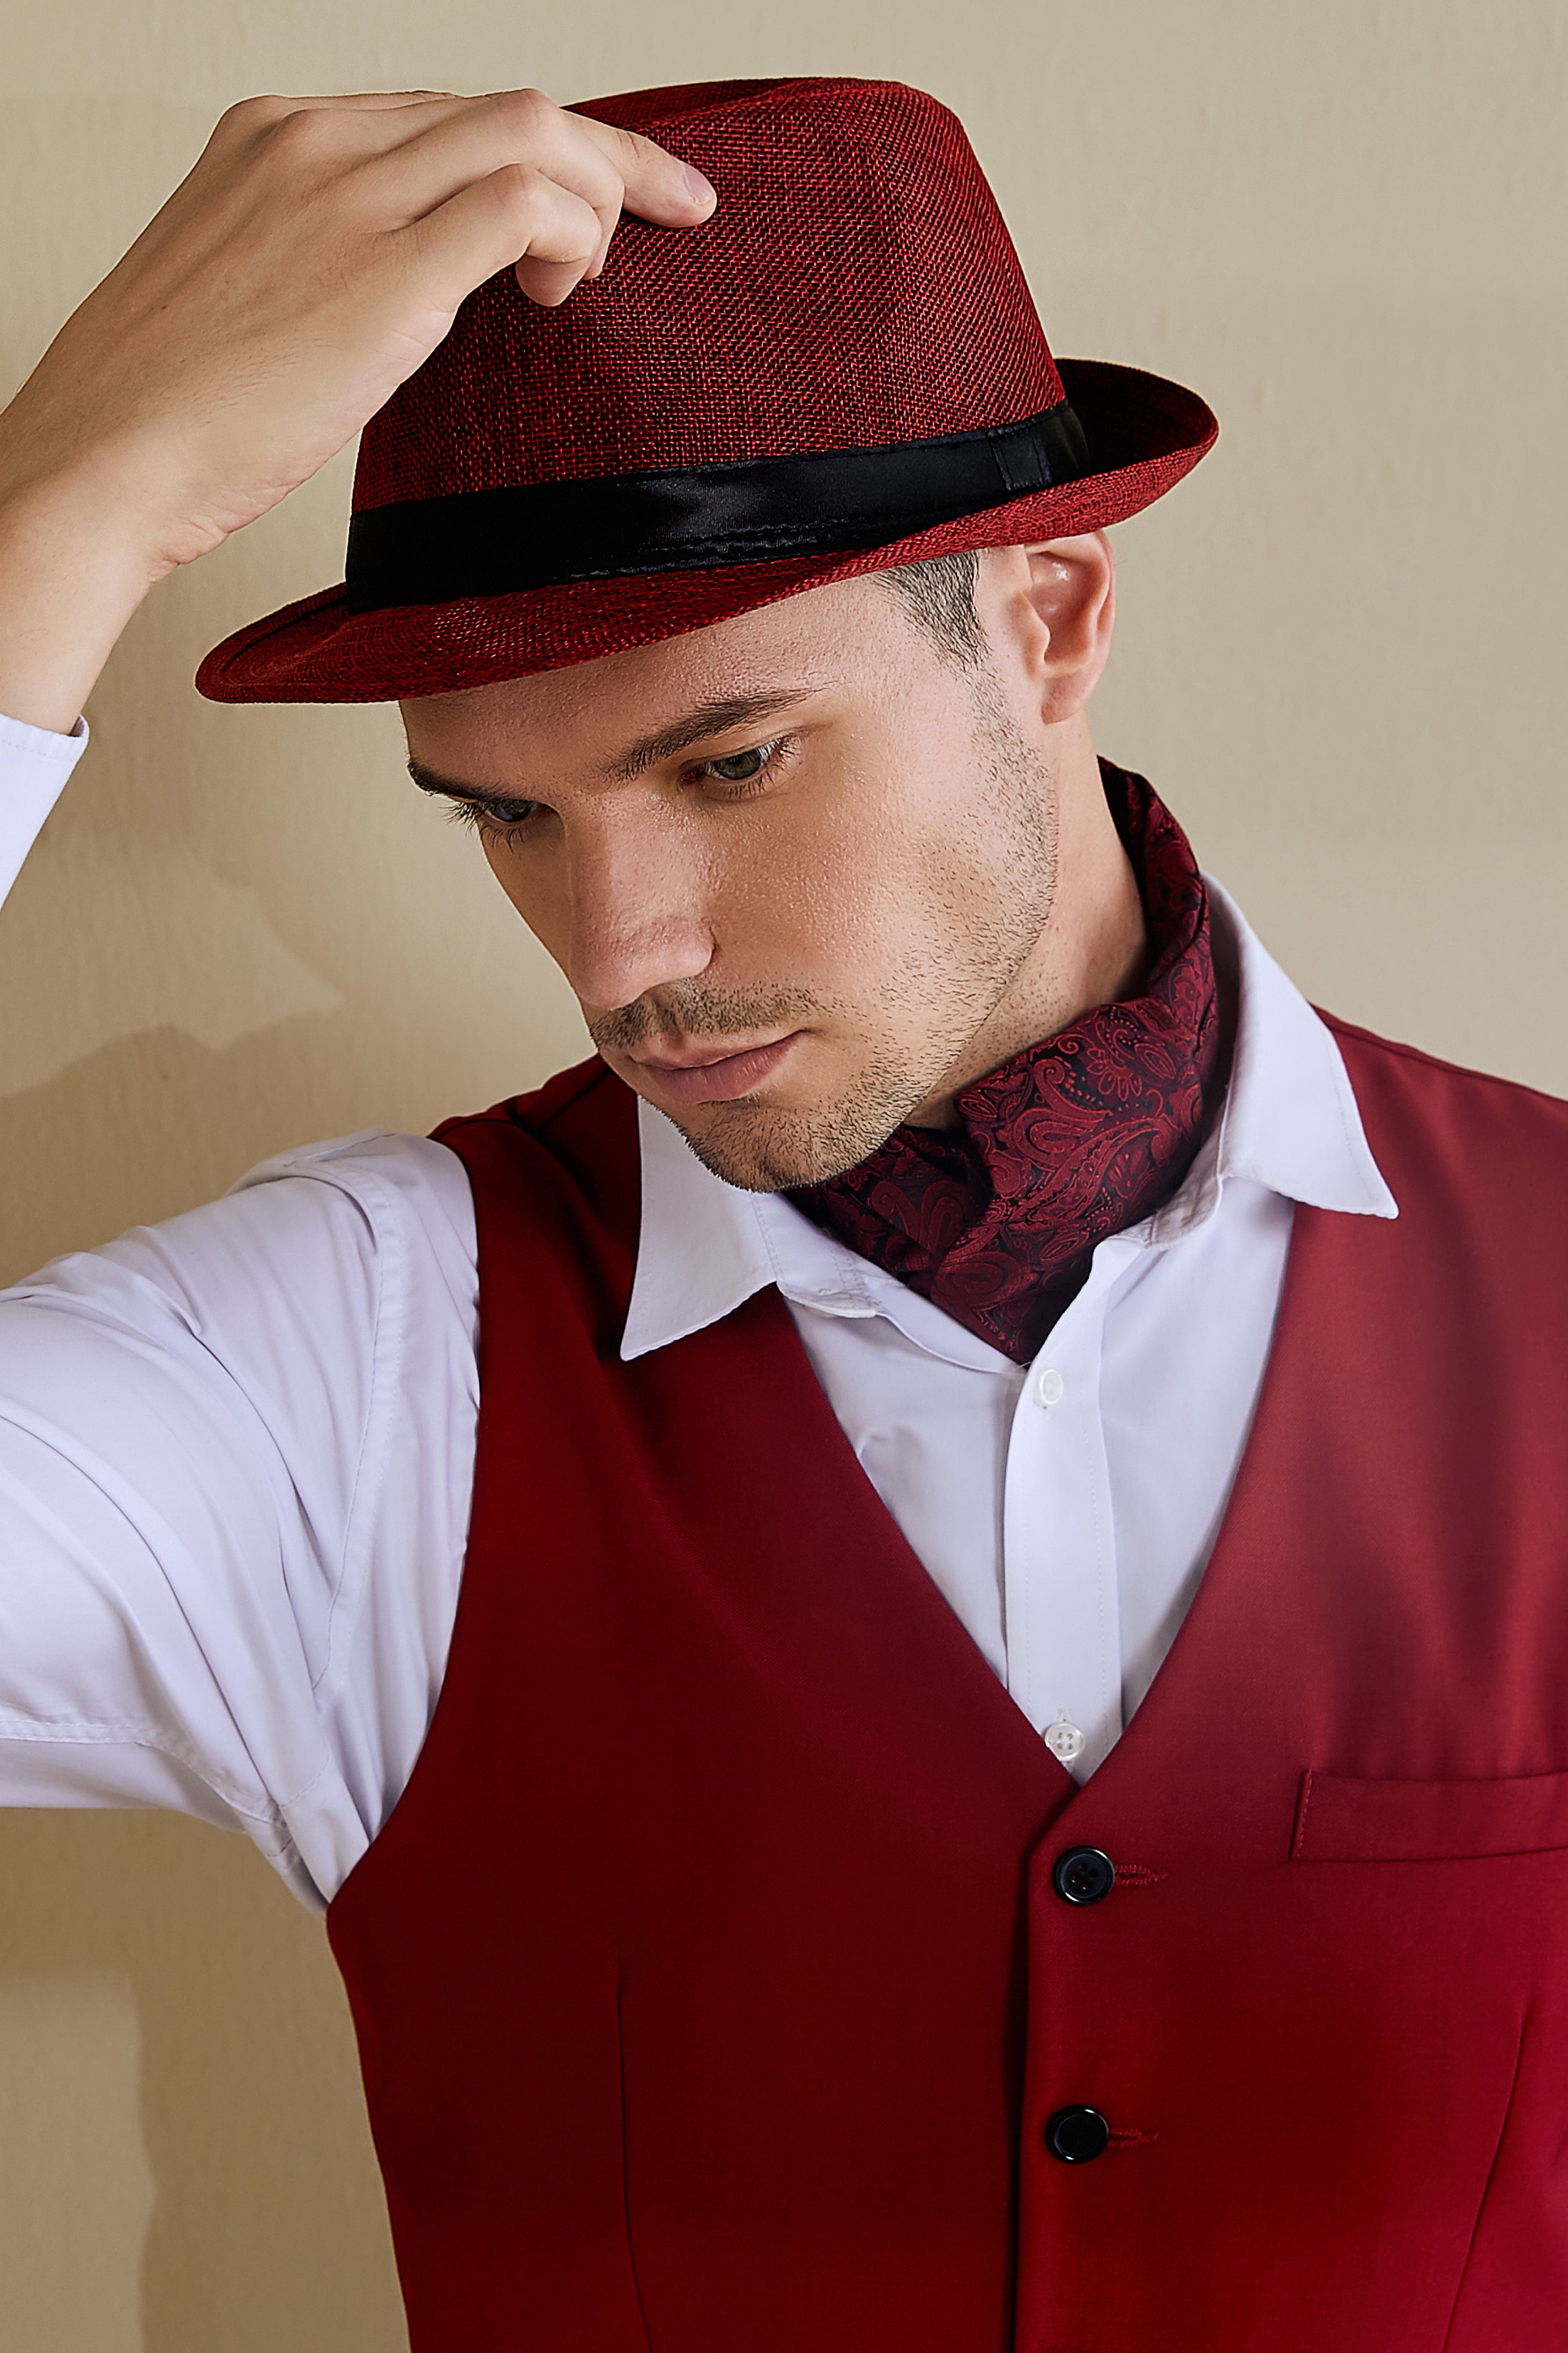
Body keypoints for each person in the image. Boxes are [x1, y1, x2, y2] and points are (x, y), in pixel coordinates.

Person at [1, 71, 1564, 2353]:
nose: (617, 950)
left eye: (728, 762)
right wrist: (66, 514)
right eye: (504, 818)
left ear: (1046, 621)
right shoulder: (356, 1372)